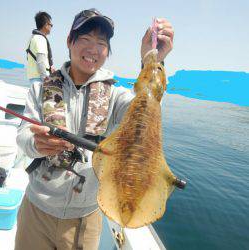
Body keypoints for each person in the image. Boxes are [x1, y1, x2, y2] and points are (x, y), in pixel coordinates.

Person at [15, 8, 174, 250]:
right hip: (37, 211)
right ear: (69, 41)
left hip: (85, 219)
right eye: (85, 39)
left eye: (101, 43)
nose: (93, 49)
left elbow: (147, 108)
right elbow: (23, 134)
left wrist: (152, 60)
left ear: (107, 52)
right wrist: (35, 144)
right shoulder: (41, 89)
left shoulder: (115, 97)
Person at [26, 11, 55, 84]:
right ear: (46, 24)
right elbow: (40, 61)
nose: (51, 26)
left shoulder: (32, 37)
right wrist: (46, 80)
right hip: (39, 79)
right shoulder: (40, 39)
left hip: (33, 77)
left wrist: (50, 67)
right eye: (51, 24)